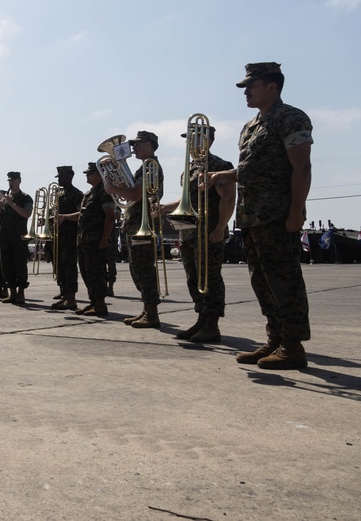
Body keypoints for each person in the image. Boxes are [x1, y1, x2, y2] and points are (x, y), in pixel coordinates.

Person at [206, 62, 313, 369]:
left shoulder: (290, 117)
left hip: (278, 216)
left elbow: (301, 167)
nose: (246, 92)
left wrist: (295, 213)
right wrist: (222, 175)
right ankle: (275, 339)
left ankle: (292, 346)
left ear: (272, 87)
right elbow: (253, 169)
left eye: (252, 86)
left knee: (284, 280)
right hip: (252, 217)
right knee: (262, 281)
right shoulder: (251, 126)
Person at [156, 126, 236, 342]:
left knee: (209, 277)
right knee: (193, 277)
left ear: (209, 140)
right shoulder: (189, 169)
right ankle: (201, 319)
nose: (191, 144)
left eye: (197, 139)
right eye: (189, 140)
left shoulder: (219, 166)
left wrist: (220, 227)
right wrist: (164, 208)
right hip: (189, 232)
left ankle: (212, 324)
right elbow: (186, 202)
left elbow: (228, 198)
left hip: (209, 230)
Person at [106, 131, 164, 328]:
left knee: (144, 269)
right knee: (136, 269)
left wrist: (114, 190)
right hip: (134, 224)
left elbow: (136, 194)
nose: (134, 148)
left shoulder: (151, 167)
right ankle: (148, 310)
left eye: (138, 144)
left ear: (149, 145)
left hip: (142, 224)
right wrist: (114, 175)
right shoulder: (144, 169)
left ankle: (152, 313)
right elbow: (129, 190)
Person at [58, 162, 115, 316]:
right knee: (87, 272)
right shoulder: (90, 193)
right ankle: (93, 302)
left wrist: (104, 239)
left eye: (90, 173)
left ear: (99, 174)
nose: (87, 176)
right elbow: (82, 215)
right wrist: (65, 217)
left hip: (96, 240)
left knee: (97, 273)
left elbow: (110, 216)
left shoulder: (104, 192)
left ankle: (100, 304)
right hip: (85, 240)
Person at [0, 171, 33, 305]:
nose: (10, 183)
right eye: (9, 180)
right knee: (6, 265)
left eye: (13, 180)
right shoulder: (6, 199)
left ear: (19, 181)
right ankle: (12, 292)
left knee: (20, 265)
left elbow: (26, 214)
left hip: (19, 237)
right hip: (5, 236)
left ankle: (21, 292)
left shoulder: (25, 198)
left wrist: (11, 203)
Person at [50, 166, 84, 311]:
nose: (59, 180)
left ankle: (71, 298)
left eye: (62, 176)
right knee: (58, 266)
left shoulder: (77, 194)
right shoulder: (58, 194)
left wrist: (65, 218)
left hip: (69, 236)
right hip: (57, 235)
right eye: (58, 177)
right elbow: (54, 213)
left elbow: (81, 214)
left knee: (69, 267)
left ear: (70, 176)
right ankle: (64, 293)